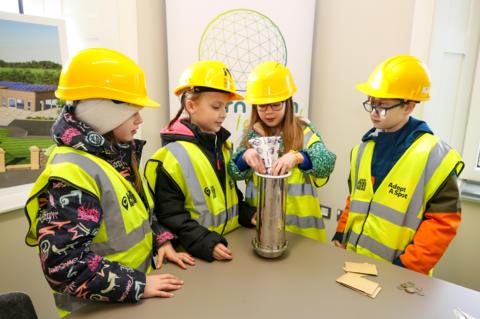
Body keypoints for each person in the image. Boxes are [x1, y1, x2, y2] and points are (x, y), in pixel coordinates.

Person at [25, 48, 192, 317]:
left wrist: (161, 240)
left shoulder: (113, 154)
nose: (140, 119)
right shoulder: (74, 174)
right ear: (101, 110)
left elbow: (137, 213)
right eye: (132, 110)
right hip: (96, 309)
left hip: (131, 300)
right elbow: (64, 267)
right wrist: (139, 284)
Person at [332, 55, 464, 275]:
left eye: (382, 106)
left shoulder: (435, 156)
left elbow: (443, 222)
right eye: (371, 103)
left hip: (401, 273)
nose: (374, 112)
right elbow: (354, 200)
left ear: (409, 106)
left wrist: (408, 266)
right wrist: (340, 234)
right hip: (354, 264)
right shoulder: (362, 150)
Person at [144, 60, 256, 262]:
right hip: (193, 257)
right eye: (215, 106)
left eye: (225, 106)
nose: (223, 113)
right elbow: (170, 216)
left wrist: (248, 214)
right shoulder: (172, 156)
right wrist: (205, 243)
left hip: (230, 244)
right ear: (191, 105)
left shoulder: (221, 146)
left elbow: (229, 196)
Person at [227, 61, 336, 242]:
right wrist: (243, 157)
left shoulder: (304, 131)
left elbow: (327, 162)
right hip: (262, 232)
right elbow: (233, 171)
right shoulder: (251, 136)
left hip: (301, 237)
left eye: (276, 105)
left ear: (288, 103)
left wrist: (299, 157)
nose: (268, 112)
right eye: (262, 106)